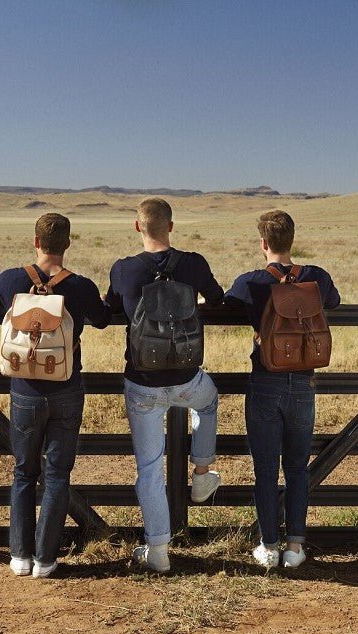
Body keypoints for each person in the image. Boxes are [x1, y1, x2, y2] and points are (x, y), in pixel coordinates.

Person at [0, 213, 111, 578]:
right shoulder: (80, 287)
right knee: (58, 474)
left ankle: (19, 555)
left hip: (25, 392)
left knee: (23, 472)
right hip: (67, 389)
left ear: (36, 242)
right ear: (67, 244)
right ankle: (46, 559)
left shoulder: (11, 280)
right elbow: (104, 317)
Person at [104, 197, 224, 572]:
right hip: (188, 378)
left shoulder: (123, 270)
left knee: (150, 468)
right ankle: (202, 474)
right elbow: (219, 299)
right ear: (171, 226)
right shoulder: (194, 263)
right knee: (208, 402)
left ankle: (158, 552)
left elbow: (109, 311)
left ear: (138, 227)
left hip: (143, 384)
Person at [224, 210, 340, 568]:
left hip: (264, 382)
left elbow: (227, 305)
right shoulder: (316, 277)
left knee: (264, 466)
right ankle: (295, 546)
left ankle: (268, 545)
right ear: (291, 239)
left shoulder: (252, 283)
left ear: (263, 243)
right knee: (296, 467)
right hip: (304, 382)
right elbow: (333, 302)